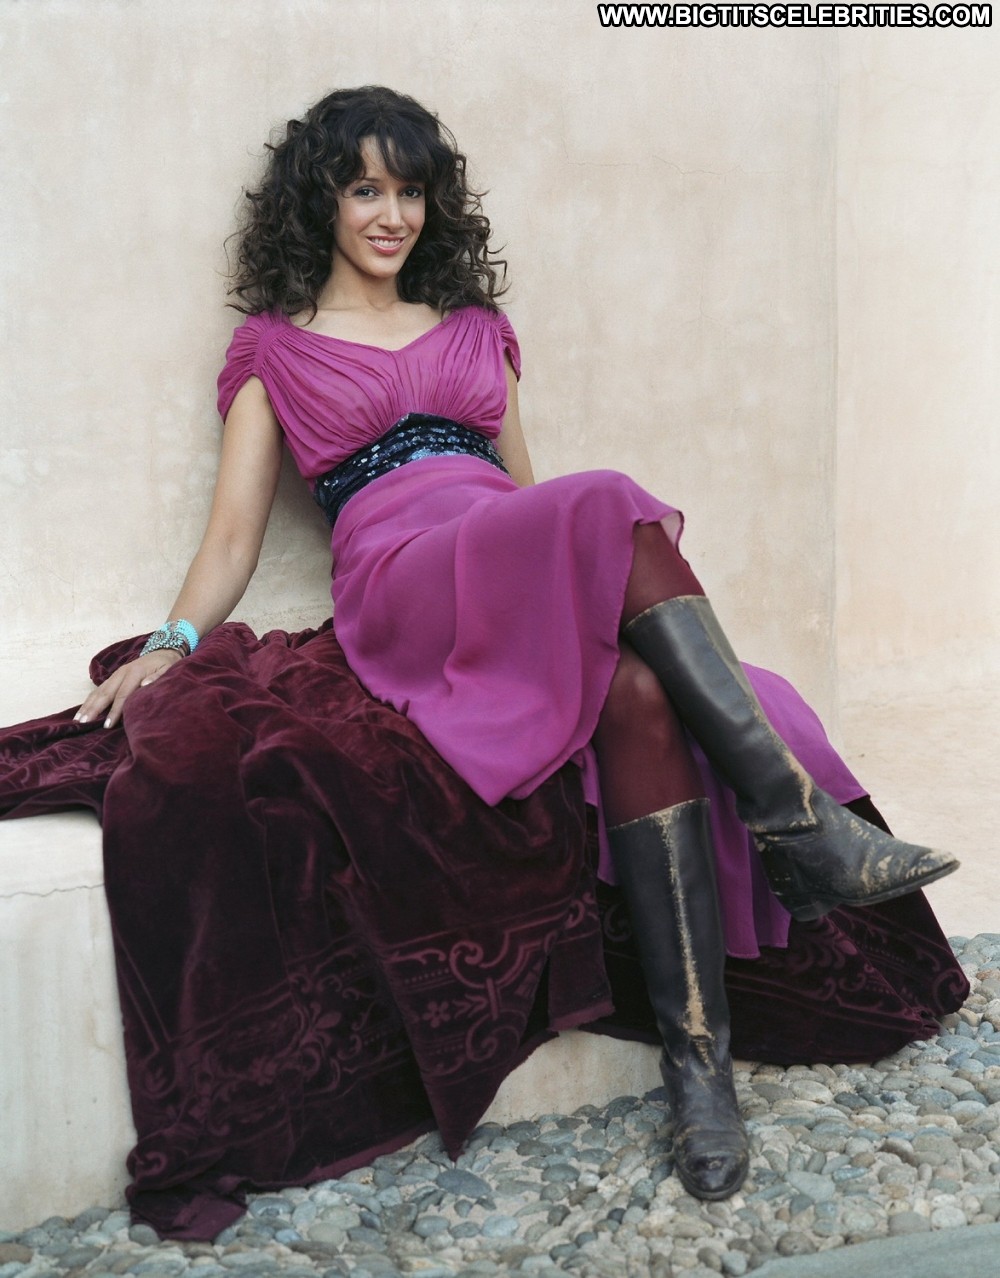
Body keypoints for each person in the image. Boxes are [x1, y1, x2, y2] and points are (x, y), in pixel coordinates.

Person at [70, 86, 959, 1206]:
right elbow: (233, 541)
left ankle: (701, 1071)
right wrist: (170, 642)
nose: (392, 215)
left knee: (640, 693)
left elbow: (532, 498)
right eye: (365, 190)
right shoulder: (274, 351)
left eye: (410, 191)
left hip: (500, 554)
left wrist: (573, 599)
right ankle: (800, 825)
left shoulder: (478, 333)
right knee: (612, 499)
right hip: (400, 578)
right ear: (321, 202)